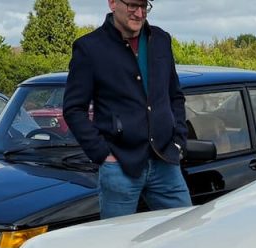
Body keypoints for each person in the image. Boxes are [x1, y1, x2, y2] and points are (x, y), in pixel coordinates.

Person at [63, 0, 191, 220]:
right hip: (119, 167)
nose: (140, 13)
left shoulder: (161, 40)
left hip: (166, 162)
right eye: (132, 5)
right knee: (116, 246)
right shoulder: (89, 48)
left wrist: (178, 140)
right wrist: (103, 155)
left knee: (186, 234)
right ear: (113, 3)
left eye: (144, 6)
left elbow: (175, 96)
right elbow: (74, 109)